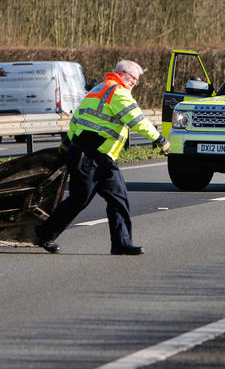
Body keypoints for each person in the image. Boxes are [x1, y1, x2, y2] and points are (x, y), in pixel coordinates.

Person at [35, 60, 171, 255]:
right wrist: (159, 139)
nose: (135, 83)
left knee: (118, 198)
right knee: (79, 200)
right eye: (133, 78)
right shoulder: (118, 92)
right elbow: (137, 121)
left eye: (137, 80)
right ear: (122, 73)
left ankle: (121, 243)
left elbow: (77, 120)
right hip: (90, 155)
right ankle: (44, 233)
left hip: (98, 156)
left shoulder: (98, 89)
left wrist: (67, 146)